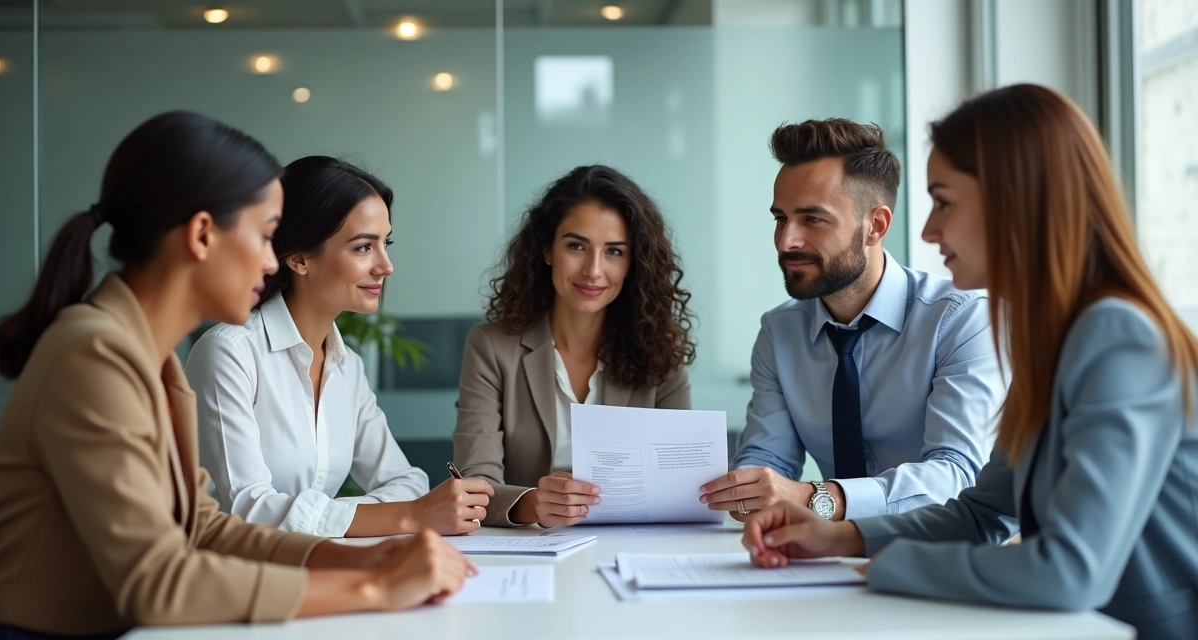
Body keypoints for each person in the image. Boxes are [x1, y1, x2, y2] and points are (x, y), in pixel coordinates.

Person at [0, 112, 473, 639]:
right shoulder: (94, 354)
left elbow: (205, 526)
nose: (270, 263)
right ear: (201, 236)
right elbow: (157, 581)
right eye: (264, 237)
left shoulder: (150, 356)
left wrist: (364, 560)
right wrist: (373, 588)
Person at [741, 84, 1198, 640]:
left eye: (944, 201)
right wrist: (840, 539)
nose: (929, 230)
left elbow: (1070, 572)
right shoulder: (1046, 337)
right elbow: (983, 514)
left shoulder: (1116, 335)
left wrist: (885, 570)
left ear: (1016, 201)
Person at [699, 118, 1004, 522]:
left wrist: (817, 498)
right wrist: (746, 490)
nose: (786, 240)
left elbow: (957, 475)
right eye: (780, 218)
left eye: (813, 219)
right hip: (826, 556)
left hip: (938, 557)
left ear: (875, 226)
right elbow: (767, 459)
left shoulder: (961, 320)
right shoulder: (780, 333)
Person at [186, 156, 492, 538]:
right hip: (230, 578)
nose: (386, 265)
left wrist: (374, 513)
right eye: (364, 247)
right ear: (299, 259)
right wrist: (408, 516)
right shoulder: (229, 353)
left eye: (386, 243)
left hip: (316, 564)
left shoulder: (348, 367)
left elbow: (407, 482)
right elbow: (249, 509)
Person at [453, 165, 695, 528]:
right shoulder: (491, 347)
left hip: (634, 543)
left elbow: (680, 479)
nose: (594, 270)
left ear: (634, 263)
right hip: (528, 547)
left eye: (614, 251)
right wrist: (532, 503)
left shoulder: (661, 353)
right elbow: (475, 483)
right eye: (577, 246)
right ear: (548, 249)